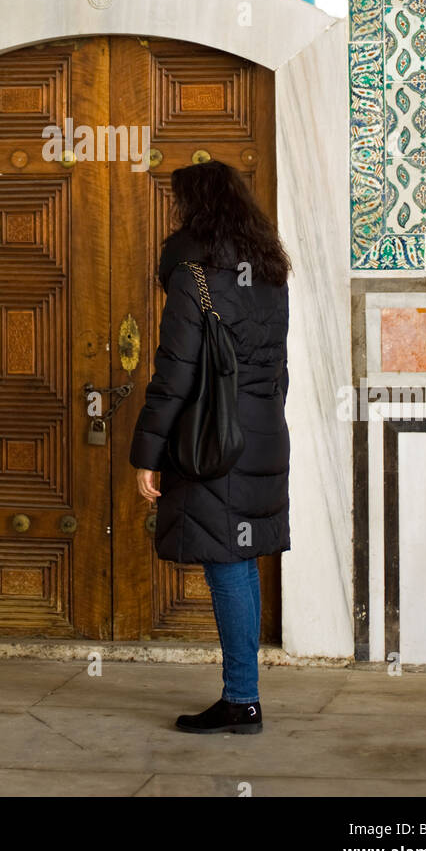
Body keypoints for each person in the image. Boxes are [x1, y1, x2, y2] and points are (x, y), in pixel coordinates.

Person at [129, 159, 291, 735]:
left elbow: (175, 371)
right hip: (263, 430)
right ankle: (242, 696)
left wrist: (146, 454)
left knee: (226, 566)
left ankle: (242, 701)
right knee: (238, 559)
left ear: (193, 207)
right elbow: (279, 370)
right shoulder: (269, 269)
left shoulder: (192, 270)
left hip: (213, 438)